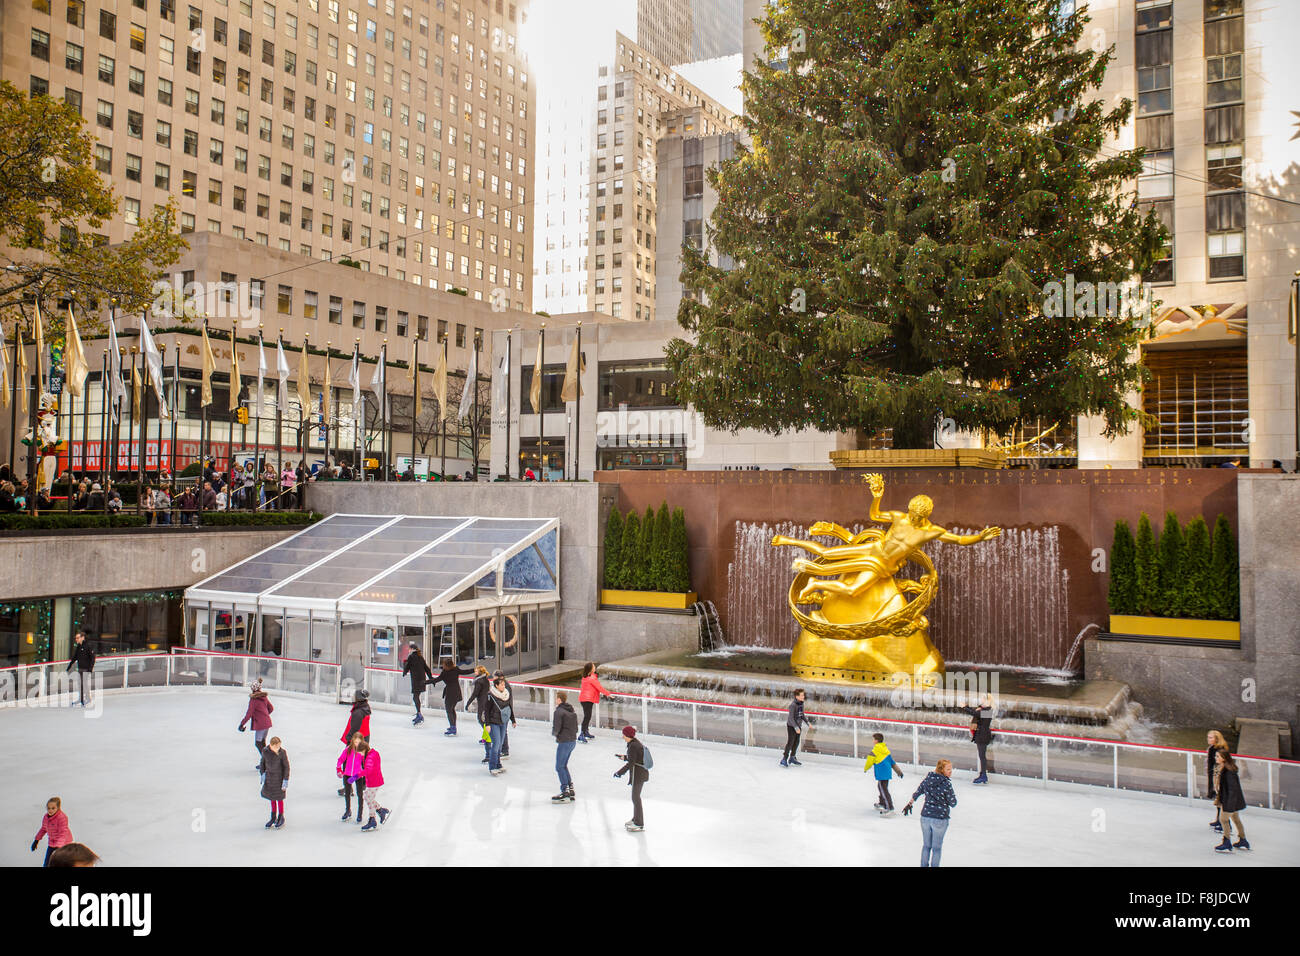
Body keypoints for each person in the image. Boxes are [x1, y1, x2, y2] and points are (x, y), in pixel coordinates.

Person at [903, 758, 958, 867]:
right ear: (942, 770)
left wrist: (910, 804)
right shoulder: (946, 784)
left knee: (926, 846)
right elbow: (953, 803)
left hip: (925, 817)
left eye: (951, 769)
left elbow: (918, 791)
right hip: (940, 819)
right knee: (936, 848)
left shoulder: (929, 779)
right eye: (948, 769)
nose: (950, 772)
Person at [614, 725, 650, 832]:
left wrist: (619, 773)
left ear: (628, 735)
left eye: (624, 735)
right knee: (635, 797)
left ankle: (639, 823)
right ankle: (635, 819)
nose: (623, 737)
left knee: (636, 798)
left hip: (639, 775)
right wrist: (624, 757)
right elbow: (634, 758)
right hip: (640, 773)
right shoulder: (635, 743)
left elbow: (631, 763)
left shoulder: (633, 746)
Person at [1213, 749, 1250, 852]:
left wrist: (1229, 805)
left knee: (1223, 820)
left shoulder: (1228, 772)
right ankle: (1243, 840)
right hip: (1233, 801)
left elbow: (1232, 790)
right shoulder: (1226, 769)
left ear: (1224, 758)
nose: (1216, 758)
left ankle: (1227, 842)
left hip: (1230, 801)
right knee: (1236, 819)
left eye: (1218, 756)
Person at [337, 689, 372, 795]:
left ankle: (348, 787)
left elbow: (354, 729)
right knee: (361, 762)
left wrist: (348, 739)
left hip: (357, 741)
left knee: (347, 764)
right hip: (364, 738)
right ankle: (362, 784)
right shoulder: (365, 708)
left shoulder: (358, 712)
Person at [429, 658, 476, 735]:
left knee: (449, 710)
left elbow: (436, 680)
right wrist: (474, 669)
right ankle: (453, 726)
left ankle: (453, 727)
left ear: (446, 665)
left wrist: (424, 682)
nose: (442, 665)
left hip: (450, 694)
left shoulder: (444, 673)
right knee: (452, 709)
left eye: (443, 664)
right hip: (456, 692)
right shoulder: (455, 670)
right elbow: (465, 672)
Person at [863, 732, 905, 814]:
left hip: (881, 773)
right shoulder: (886, 750)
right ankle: (882, 803)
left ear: (876, 741)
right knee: (881, 787)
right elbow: (892, 763)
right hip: (887, 773)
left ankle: (889, 807)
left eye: (874, 739)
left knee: (883, 789)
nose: (873, 741)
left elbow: (869, 761)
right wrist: (899, 772)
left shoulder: (874, 750)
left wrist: (866, 768)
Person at [357, 739, 391, 831]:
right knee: (367, 797)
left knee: (369, 799)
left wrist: (357, 775)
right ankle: (380, 810)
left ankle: (372, 819)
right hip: (373, 780)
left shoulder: (370, 758)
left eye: (360, 753)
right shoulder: (372, 753)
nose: (360, 755)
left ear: (364, 750)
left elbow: (368, 770)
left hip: (374, 782)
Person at [238, 679, 275, 766]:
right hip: (267, 723)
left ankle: (268, 762)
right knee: (262, 742)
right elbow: (271, 708)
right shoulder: (264, 697)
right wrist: (265, 715)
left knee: (258, 743)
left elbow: (249, 714)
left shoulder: (253, 700)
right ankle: (266, 762)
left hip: (261, 725)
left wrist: (242, 724)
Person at [551, 691, 579, 803]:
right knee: (563, 765)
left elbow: (556, 728)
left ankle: (565, 791)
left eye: (556, 698)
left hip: (564, 741)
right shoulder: (571, 711)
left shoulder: (559, 712)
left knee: (559, 766)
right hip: (572, 741)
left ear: (559, 699)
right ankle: (570, 789)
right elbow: (576, 728)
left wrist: (555, 734)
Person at [578, 662, 616, 743]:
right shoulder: (591, 678)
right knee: (587, 717)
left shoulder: (586, 677)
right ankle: (581, 734)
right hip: (587, 700)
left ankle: (585, 732)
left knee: (587, 716)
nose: (595, 668)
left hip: (585, 699)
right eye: (594, 667)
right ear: (591, 669)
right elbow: (599, 688)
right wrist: (608, 694)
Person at [31, 796, 73, 867]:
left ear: (58, 808)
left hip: (63, 844)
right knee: (47, 863)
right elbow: (43, 829)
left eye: (53, 808)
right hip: (52, 843)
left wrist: (58, 846)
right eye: (48, 808)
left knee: (61, 863)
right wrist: (36, 840)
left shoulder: (62, 817)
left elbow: (63, 833)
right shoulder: (46, 817)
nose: (50, 810)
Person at [258, 736, 289, 829]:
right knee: (272, 798)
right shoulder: (265, 751)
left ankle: (281, 816)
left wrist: (285, 780)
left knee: (279, 798)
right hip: (270, 779)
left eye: (279, 746)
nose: (278, 748)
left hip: (279, 779)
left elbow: (286, 767)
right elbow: (262, 763)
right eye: (276, 746)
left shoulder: (282, 753)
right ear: (271, 745)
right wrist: (262, 773)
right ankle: (273, 816)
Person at [337, 732, 368, 824]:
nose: (356, 744)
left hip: (357, 776)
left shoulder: (363, 751)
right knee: (347, 793)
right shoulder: (348, 750)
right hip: (347, 774)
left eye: (359, 742)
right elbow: (341, 759)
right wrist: (338, 769)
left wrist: (365, 777)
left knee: (359, 794)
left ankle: (359, 814)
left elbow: (366, 764)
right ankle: (348, 811)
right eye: (355, 742)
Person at [401, 643, 435, 725]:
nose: (409, 650)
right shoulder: (420, 657)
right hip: (422, 680)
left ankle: (419, 714)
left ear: (412, 649)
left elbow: (407, 666)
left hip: (416, 681)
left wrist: (404, 672)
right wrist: (431, 678)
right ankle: (418, 713)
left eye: (410, 649)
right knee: (416, 696)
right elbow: (427, 668)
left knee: (415, 697)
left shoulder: (411, 657)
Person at [964, 694, 994, 784]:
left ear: (987, 701)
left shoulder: (988, 711)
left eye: (983, 699)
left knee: (982, 756)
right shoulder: (983, 709)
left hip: (983, 735)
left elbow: (975, 713)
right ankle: (983, 774)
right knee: (982, 756)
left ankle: (984, 775)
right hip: (981, 734)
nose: (981, 700)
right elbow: (976, 712)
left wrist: (964, 707)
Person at [465, 665, 493, 761]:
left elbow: (475, 693)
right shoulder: (485, 679)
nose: (475, 673)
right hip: (485, 702)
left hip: (482, 703)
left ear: (480, 672)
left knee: (482, 720)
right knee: (483, 720)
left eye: (476, 671)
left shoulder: (479, 681)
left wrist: (468, 703)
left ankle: (488, 736)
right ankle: (487, 736)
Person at [483, 676, 510, 775]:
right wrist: (488, 724)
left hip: (502, 722)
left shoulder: (506, 694)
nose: (504, 686)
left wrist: (512, 719)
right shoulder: (490, 695)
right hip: (493, 723)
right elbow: (486, 711)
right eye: (502, 684)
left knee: (500, 744)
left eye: (504, 684)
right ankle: (492, 766)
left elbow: (509, 707)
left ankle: (498, 764)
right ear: (496, 686)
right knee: (496, 744)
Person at [781, 688, 812, 767]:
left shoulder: (801, 703)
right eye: (802, 695)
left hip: (798, 726)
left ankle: (792, 757)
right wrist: (796, 727)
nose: (803, 696)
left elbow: (802, 715)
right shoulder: (793, 705)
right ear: (797, 696)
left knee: (796, 742)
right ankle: (784, 758)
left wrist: (808, 723)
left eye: (803, 695)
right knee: (790, 742)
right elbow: (791, 718)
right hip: (792, 726)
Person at [1206, 729, 1230, 832]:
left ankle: (1224, 823)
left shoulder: (1220, 749)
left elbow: (1222, 763)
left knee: (1221, 800)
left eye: (1211, 737)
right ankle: (1218, 820)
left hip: (1219, 777)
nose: (1208, 739)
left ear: (1216, 739)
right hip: (1214, 775)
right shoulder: (1213, 748)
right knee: (1218, 799)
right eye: (1208, 737)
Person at [65, 631, 95, 707]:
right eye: (76, 638)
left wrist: (90, 669)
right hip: (80, 668)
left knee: (83, 684)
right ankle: (81, 698)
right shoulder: (78, 647)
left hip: (86, 669)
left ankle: (87, 698)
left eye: (78, 638)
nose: (76, 639)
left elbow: (92, 658)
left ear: (82, 638)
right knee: (79, 684)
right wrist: (69, 666)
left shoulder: (88, 646)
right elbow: (75, 657)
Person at [493, 670, 518, 758]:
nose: (493, 678)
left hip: (504, 712)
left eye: (495, 677)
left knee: (503, 731)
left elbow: (508, 702)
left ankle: (504, 750)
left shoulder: (504, 687)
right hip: (503, 712)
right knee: (502, 731)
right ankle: (502, 749)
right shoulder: (502, 685)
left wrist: (512, 718)